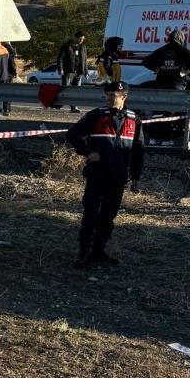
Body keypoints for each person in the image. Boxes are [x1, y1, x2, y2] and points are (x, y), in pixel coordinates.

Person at [66, 81, 145, 269]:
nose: (109, 98)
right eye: (107, 95)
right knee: (91, 214)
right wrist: (87, 152)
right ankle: (83, 253)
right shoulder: (97, 115)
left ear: (124, 96)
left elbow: (138, 150)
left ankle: (99, 251)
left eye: (113, 95)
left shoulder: (134, 119)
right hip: (97, 173)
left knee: (108, 216)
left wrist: (136, 176)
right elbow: (73, 134)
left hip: (118, 176)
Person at [58, 31, 89, 112]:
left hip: (78, 72)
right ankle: (57, 104)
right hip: (68, 71)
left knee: (76, 91)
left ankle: (74, 107)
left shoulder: (83, 47)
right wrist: (61, 69)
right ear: (75, 37)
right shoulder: (66, 46)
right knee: (66, 90)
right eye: (80, 39)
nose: (81, 40)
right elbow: (60, 58)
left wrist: (86, 72)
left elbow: (85, 60)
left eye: (82, 39)